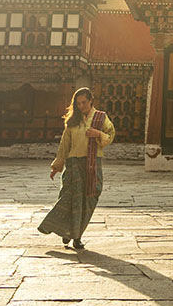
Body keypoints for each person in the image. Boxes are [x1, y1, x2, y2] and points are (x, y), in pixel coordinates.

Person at [37, 86, 115, 250]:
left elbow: (110, 135)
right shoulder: (72, 121)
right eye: (78, 103)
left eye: (84, 102)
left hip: (92, 164)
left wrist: (98, 134)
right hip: (73, 165)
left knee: (90, 198)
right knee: (71, 198)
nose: (81, 106)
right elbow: (64, 145)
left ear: (91, 101)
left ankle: (76, 232)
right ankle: (70, 234)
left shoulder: (101, 118)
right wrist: (57, 166)